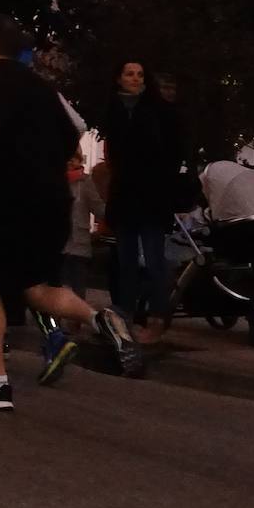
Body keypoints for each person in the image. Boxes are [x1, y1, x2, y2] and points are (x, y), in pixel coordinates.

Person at [0, 15, 141, 411]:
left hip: (7, 200)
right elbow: (68, 135)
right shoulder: (42, 87)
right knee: (34, 285)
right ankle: (100, 318)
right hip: (53, 200)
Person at [98, 58, 185, 341]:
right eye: (129, 74)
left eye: (139, 74)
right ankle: (125, 314)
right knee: (125, 260)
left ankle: (157, 317)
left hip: (152, 195)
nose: (135, 79)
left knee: (153, 257)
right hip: (125, 194)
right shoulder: (114, 110)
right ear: (119, 78)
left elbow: (172, 151)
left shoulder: (159, 111)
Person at [62, 150, 105, 300]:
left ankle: (76, 320)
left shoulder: (85, 182)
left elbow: (98, 207)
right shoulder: (54, 180)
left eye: (73, 158)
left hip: (79, 243)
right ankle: (56, 320)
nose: (70, 162)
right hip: (58, 242)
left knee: (78, 287)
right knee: (57, 287)